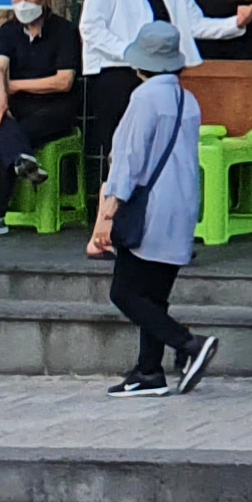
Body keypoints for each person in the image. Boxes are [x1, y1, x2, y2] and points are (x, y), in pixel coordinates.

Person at [87, 21, 216, 394]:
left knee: (125, 292)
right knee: (154, 295)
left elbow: (128, 156)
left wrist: (111, 205)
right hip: (181, 204)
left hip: (148, 208)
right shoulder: (188, 101)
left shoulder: (144, 98)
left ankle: (189, 343)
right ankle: (148, 371)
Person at [76, 0, 251, 166]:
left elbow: (191, 23)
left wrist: (234, 24)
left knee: (156, 147)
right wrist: (130, 52)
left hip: (159, 74)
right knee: (120, 149)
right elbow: (91, 26)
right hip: (117, 71)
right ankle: (113, 193)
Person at [0, 0, 81, 236]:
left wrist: (14, 86)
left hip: (55, 107)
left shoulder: (65, 31)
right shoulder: (8, 31)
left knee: (8, 141)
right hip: (19, 106)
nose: (23, 2)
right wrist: (0, 96)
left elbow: (63, 81)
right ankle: (23, 160)